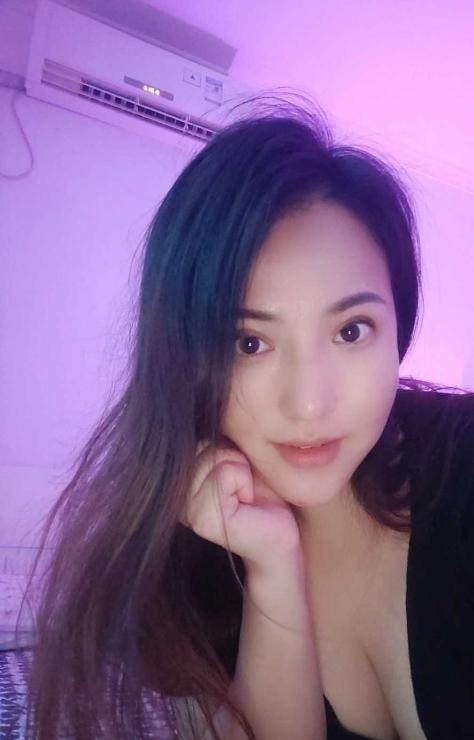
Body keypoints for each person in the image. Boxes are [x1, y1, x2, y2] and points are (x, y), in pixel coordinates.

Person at [18, 99, 474, 739]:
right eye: (250, 343)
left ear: (399, 327)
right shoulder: (187, 559)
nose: (309, 405)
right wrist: (272, 570)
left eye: (351, 330)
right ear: (185, 355)